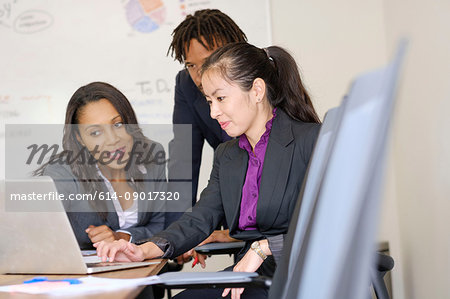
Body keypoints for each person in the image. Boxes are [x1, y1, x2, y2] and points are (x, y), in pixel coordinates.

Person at [95, 43, 321, 299]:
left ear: (257, 90)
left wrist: (264, 248)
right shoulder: (228, 155)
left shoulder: (310, 140)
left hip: (300, 275)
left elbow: (330, 225)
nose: (213, 112)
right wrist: (143, 249)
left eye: (221, 98)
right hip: (250, 274)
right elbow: (198, 219)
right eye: (209, 101)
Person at [34, 82, 166, 250]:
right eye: (95, 132)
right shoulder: (62, 172)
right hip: (89, 273)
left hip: (148, 270)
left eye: (118, 124)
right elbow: (38, 230)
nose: (112, 140)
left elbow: (161, 225)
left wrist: (123, 237)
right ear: (79, 138)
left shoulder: (152, 155)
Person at [166, 9, 247, 228]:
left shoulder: (260, 75)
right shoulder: (186, 85)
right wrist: (177, 230)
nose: (199, 75)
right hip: (230, 198)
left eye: (208, 60)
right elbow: (183, 159)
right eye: (191, 65)